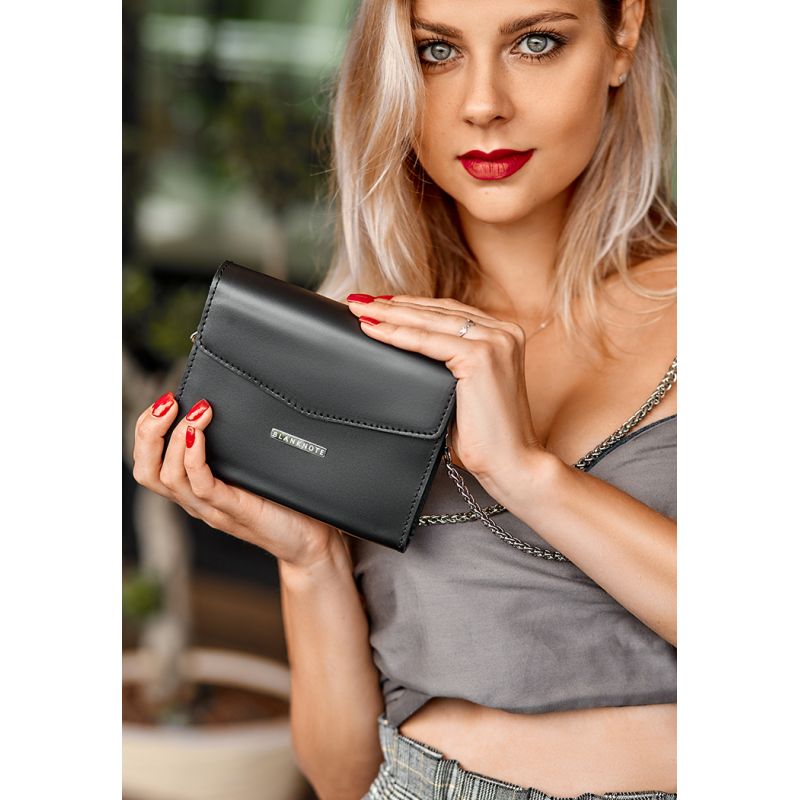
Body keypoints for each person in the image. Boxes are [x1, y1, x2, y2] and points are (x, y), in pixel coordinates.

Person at [132, 0, 677, 797]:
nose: (483, 104)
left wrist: (525, 473)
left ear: (623, 35)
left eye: (536, 42)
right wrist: (310, 559)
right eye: (435, 52)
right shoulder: (361, 352)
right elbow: (345, 775)